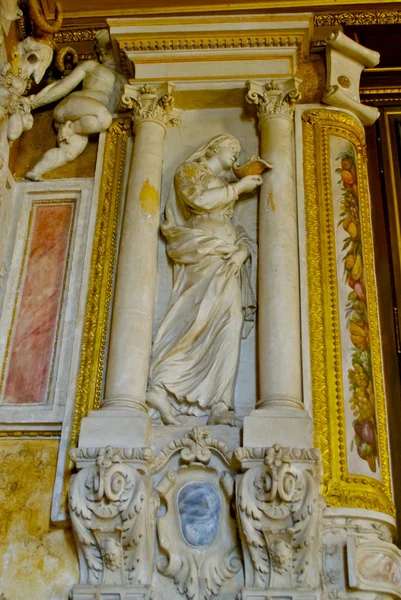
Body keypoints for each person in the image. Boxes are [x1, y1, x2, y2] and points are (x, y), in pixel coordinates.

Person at [147, 134, 262, 426]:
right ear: (214, 147)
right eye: (232, 148)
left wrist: (242, 252)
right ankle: (161, 386)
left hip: (227, 258)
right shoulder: (189, 171)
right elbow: (199, 199)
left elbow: (236, 227)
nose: (236, 154)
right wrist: (238, 188)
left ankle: (220, 402)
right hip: (202, 252)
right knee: (194, 316)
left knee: (231, 321)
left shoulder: (225, 188)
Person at [25, 30, 126, 180]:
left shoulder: (124, 81)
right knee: (104, 118)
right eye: (103, 49)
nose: (104, 52)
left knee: (69, 153)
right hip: (71, 107)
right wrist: (33, 102)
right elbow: (64, 86)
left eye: (109, 49)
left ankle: (35, 171)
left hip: (87, 120)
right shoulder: (92, 66)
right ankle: (70, 129)